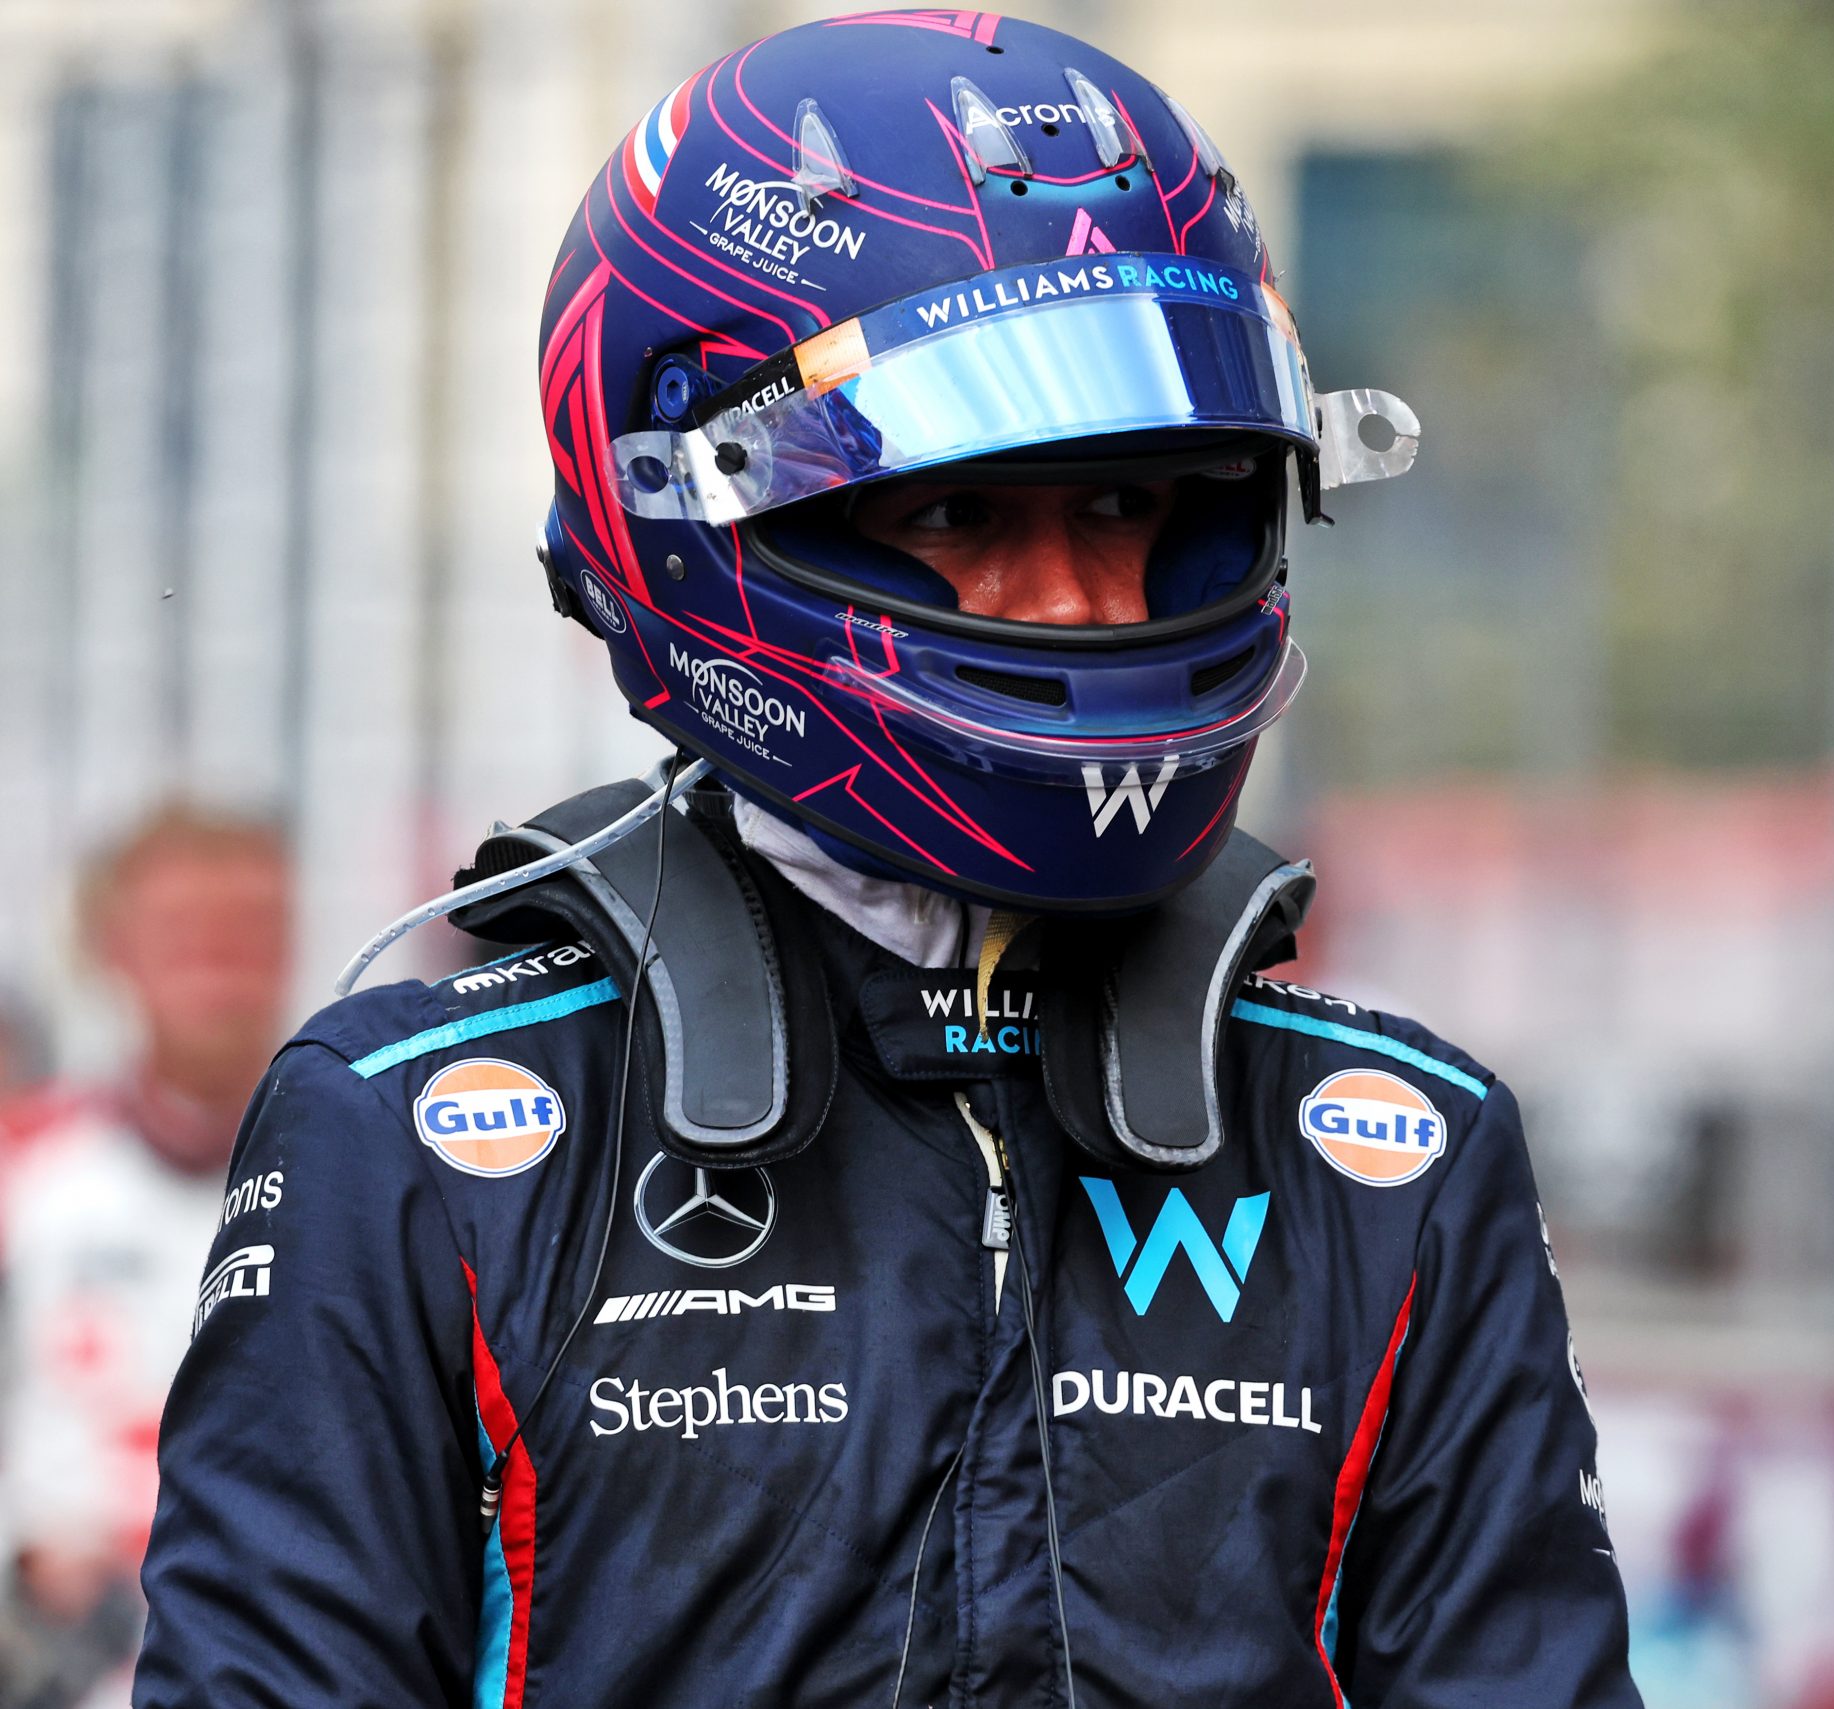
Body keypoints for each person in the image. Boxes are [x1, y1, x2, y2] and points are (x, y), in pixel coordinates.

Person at [135, 16, 1637, 1709]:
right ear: (692, 523)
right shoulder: (421, 1138)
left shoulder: (1395, 1148)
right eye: (955, 517)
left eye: (1131, 507)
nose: (1080, 603)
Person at [0, 807, 291, 1708]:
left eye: (247, 930)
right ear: (111, 950)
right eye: (183, 932)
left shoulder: (376, 1169)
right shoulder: (28, 1171)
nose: (219, 962)